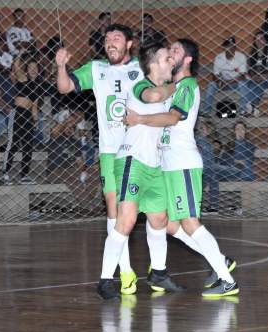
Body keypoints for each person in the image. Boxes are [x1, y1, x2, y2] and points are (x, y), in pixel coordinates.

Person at [124, 39, 239, 297]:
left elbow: (173, 119)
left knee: (189, 223)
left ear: (187, 59)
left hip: (182, 164)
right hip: (168, 165)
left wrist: (140, 119)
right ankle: (220, 259)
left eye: (175, 50)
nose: (170, 53)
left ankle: (227, 279)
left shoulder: (187, 85)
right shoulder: (169, 86)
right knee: (169, 225)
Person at [56, 24, 144, 296]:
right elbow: (65, 87)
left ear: (129, 43)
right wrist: (61, 65)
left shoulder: (143, 68)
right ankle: (125, 272)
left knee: (155, 217)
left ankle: (161, 268)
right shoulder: (96, 68)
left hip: (140, 150)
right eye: (107, 39)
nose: (110, 43)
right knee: (113, 209)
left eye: (116, 38)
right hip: (109, 151)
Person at [98, 42, 183, 300]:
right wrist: (176, 86)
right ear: (153, 64)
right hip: (131, 162)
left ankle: (158, 273)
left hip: (154, 165)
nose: (171, 62)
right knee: (126, 220)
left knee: (158, 220)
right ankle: (104, 280)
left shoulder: (162, 89)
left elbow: (170, 117)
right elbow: (154, 97)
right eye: (167, 58)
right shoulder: (140, 86)